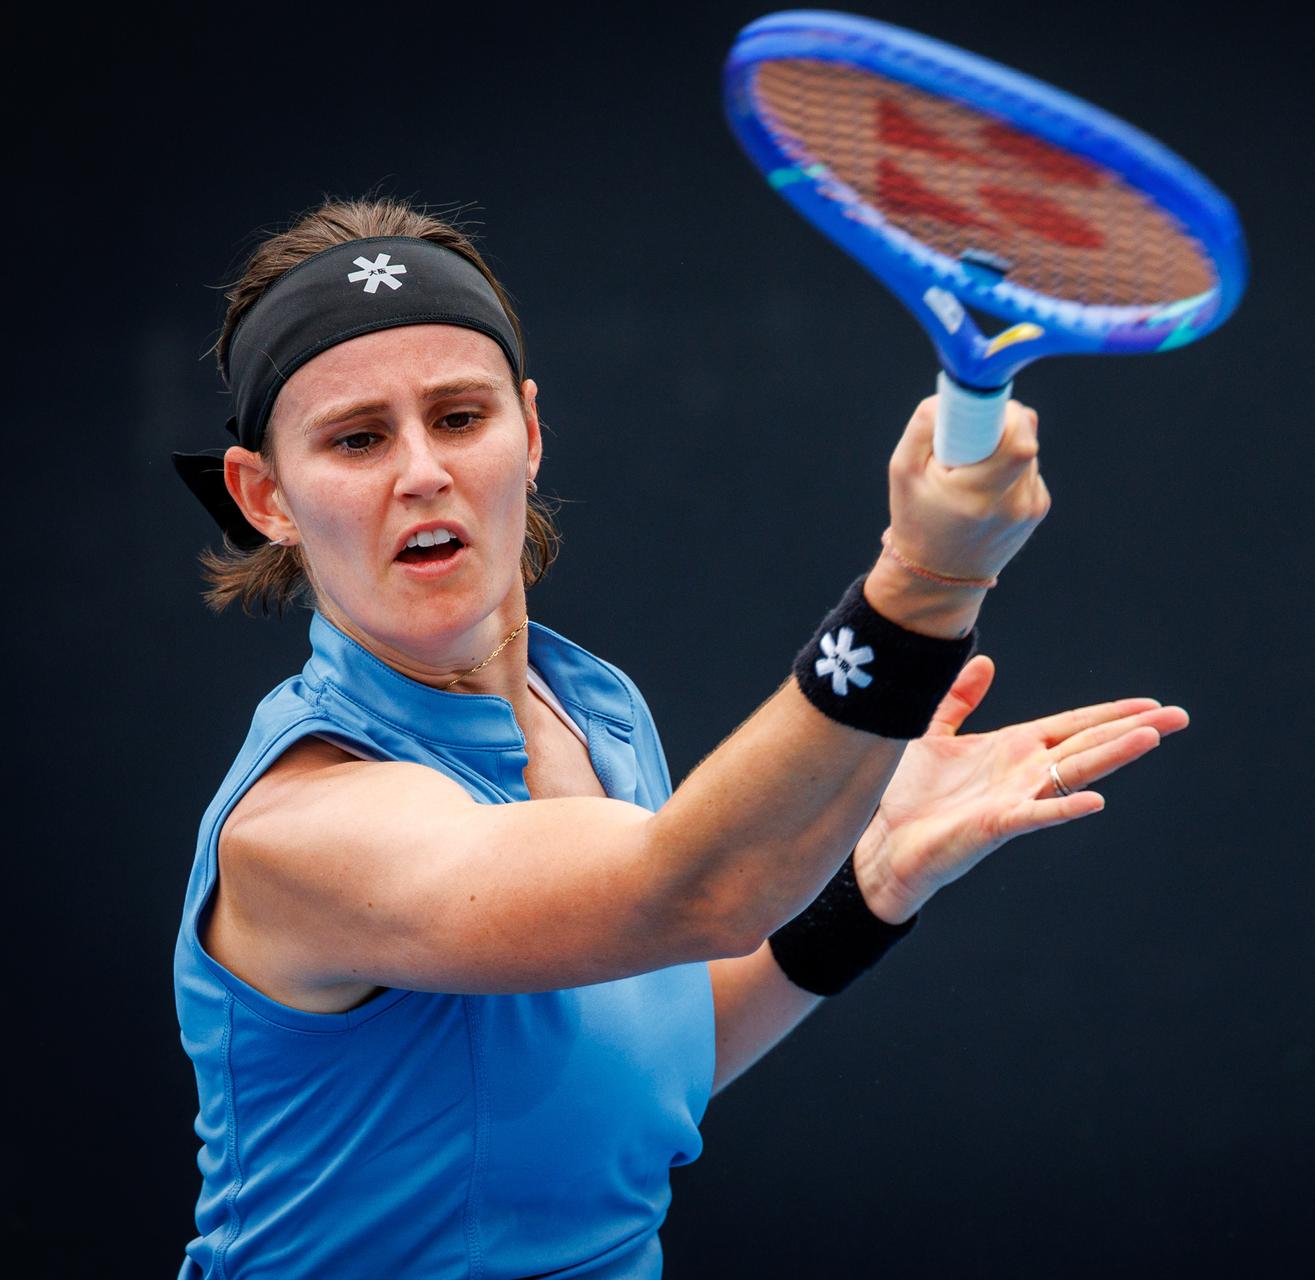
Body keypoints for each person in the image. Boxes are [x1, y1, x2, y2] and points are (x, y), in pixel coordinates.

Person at [170, 197, 1188, 1279]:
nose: (421, 469)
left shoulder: (592, 712)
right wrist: (926, 585)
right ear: (265, 495)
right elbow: (693, 891)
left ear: (530, 430)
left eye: (460, 417)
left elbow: (639, 1060)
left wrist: (867, 881)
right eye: (358, 438)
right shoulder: (303, 827)